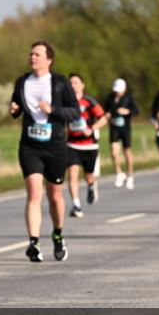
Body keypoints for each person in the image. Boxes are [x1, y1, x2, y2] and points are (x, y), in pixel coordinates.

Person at [9, 41, 79, 262]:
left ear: (49, 59)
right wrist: (14, 109)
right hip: (30, 145)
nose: (32, 58)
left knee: (55, 196)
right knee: (34, 193)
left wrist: (53, 110)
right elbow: (16, 107)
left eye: (37, 54)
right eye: (31, 54)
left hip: (55, 145)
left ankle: (58, 234)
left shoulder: (60, 83)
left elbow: (74, 112)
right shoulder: (22, 82)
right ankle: (34, 243)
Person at [66, 73, 108, 218]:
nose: (73, 86)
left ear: (82, 85)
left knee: (88, 175)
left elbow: (103, 119)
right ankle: (76, 204)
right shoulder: (66, 102)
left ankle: (91, 185)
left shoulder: (89, 102)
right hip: (72, 144)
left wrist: (92, 128)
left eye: (76, 83)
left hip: (89, 145)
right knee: (72, 174)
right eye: (71, 83)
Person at [104, 78, 140, 189]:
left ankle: (130, 175)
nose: (117, 92)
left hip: (125, 128)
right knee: (114, 152)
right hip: (114, 128)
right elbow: (105, 110)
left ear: (124, 89)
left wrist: (127, 111)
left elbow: (136, 111)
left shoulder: (129, 98)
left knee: (127, 152)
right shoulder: (110, 98)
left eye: (119, 90)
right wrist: (108, 114)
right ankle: (119, 173)